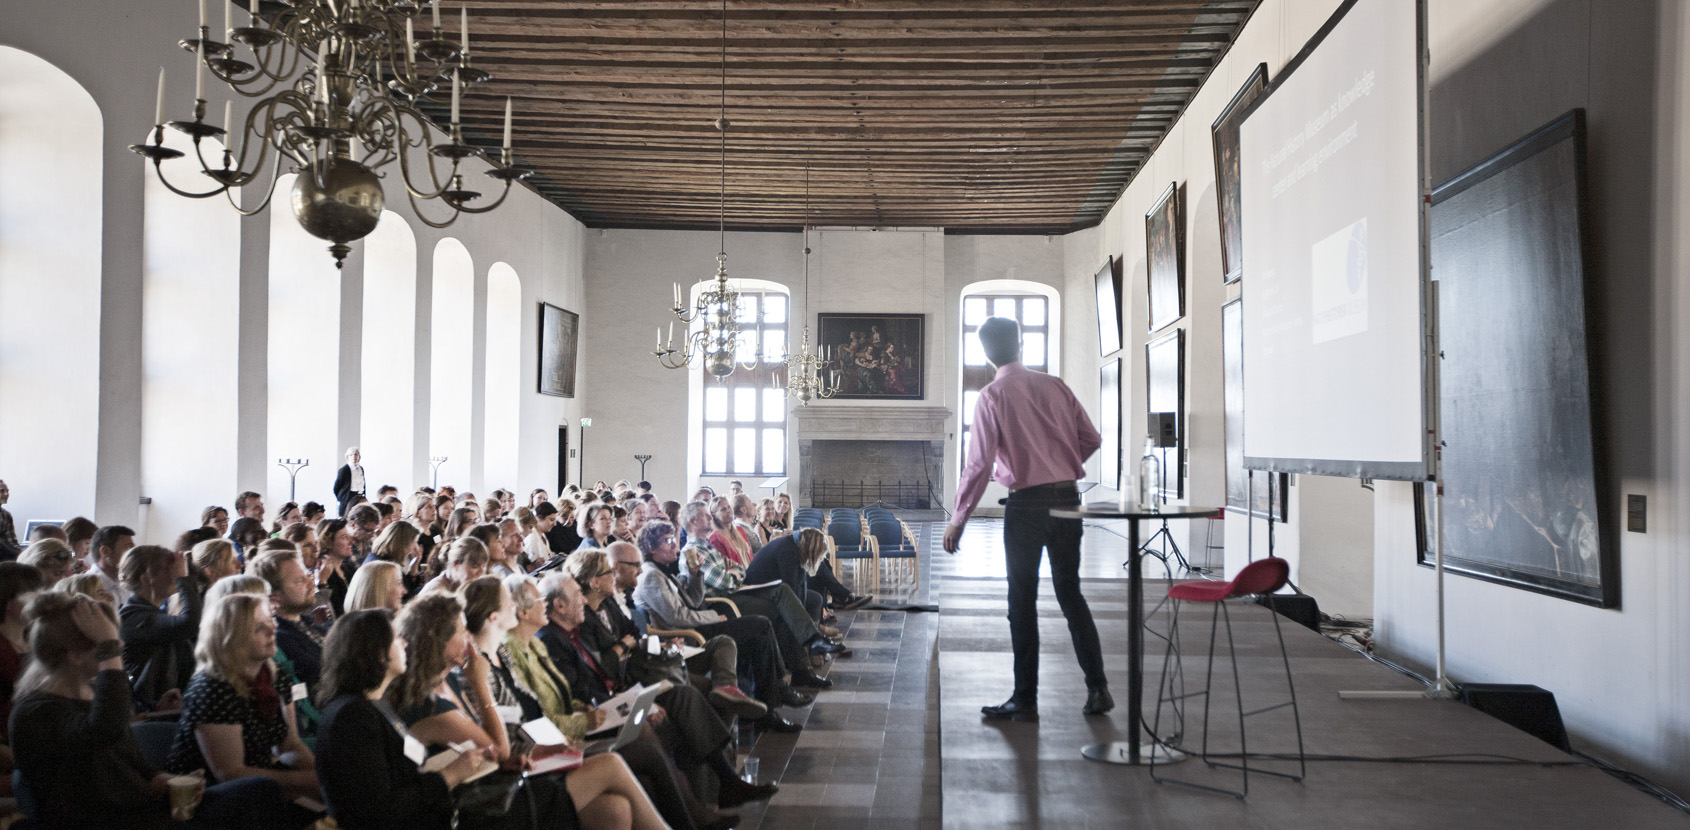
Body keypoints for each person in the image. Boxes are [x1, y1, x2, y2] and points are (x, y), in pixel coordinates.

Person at [944, 316, 1110, 722]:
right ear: (1020, 344)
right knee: (1071, 595)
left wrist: (958, 518)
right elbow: (1091, 439)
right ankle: (1098, 688)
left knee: (1022, 602)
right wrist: (1060, 465)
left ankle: (1025, 698)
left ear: (985, 353)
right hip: (1068, 500)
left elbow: (978, 465)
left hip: (1027, 506)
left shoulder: (992, 395)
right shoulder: (1055, 385)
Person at [10, 591, 292, 830]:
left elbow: (130, 763)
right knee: (257, 795)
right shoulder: (35, 713)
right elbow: (104, 731)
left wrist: (164, 781)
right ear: (74, 655)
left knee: (259, 792)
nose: (120, 645)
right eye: (109, 642)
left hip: (143, 811)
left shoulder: (92, 694)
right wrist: (110, 655)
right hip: (110, 822)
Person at [387, 594, 670, 830]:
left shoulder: (447, 681)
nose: (468, 637)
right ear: (440, 639)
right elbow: (498, 748)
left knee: (613, 810)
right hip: (478, 809)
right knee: (610, 764)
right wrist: (479, 684)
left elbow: (491, 753)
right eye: (461, 631)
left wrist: (524, 754)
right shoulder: (428, 703)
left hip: (495, 783)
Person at [631, 521, 808, 732]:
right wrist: (714, 617)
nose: (674, 545)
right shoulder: (651, 576)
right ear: (651, 547)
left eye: (674, 539)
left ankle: (768, 707)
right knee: (760, 626)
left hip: (697, 626)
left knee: (759, 634)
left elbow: (694, 601)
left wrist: (695, 575)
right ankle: (775, 695)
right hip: (686, 636)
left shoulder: (663, 571)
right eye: (667, 541)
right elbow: (677, 617)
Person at [165, 593, 320, 816]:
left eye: (270, 621)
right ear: (231, 639)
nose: (272, 630)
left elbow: (290, 745)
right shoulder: (213, 688)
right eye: (259, 628)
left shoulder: (274, 675)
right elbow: (229, 774)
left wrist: (319, 775)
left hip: (259, 786)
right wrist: (307, 781)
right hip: (205, 798)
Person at [119, 544, 202, 707]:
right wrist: (182, 579)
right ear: (146, 578)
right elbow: (188, 624)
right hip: (148, 711)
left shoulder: (154, 611)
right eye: (168, 569)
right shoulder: (133, 617)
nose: (174, 575)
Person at [90, 524, 136, 607]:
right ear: (105, 551)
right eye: (128, 548)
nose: (133, 554)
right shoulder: (87, 587)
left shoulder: (126, 584)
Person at [333, 447, 367, 519]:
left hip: (359, 495)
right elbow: (336, 487)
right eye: (351, 455)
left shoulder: (361, 469)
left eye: (356, 454)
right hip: (348, 496)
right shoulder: (344, 470)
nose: (354, 457)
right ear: (347, 457)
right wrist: (342, 498)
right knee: (347, 517)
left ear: (359, 457)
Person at [0, 479, 16, 560]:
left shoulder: (6, 515)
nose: (6, 494)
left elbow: (11, 542)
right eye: (2, 491)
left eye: (7, 491)